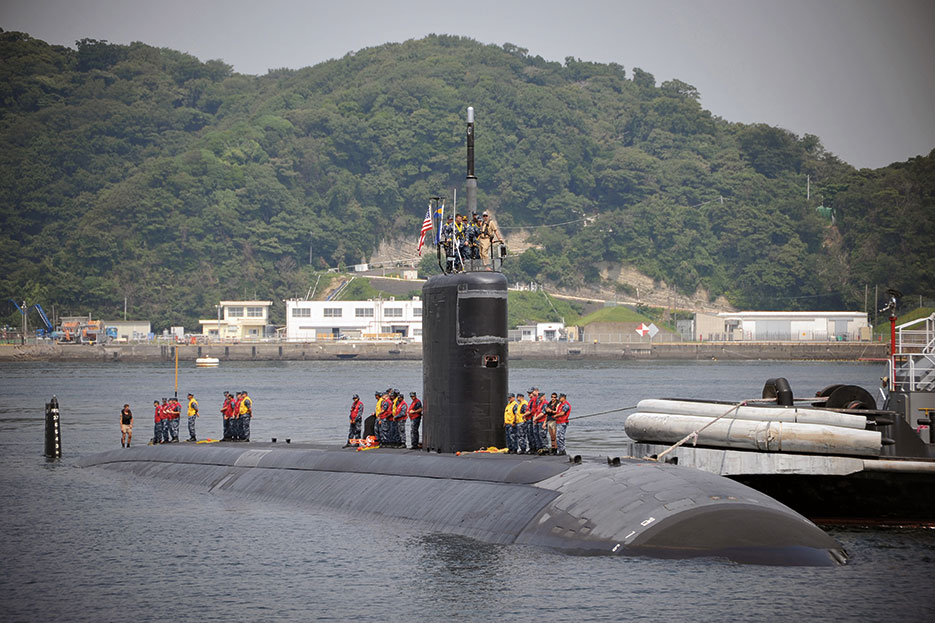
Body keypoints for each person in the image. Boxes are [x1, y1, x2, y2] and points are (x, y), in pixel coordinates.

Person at [526, 387, 541, 454]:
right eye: (528, 393)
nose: (529, 394)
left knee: (536, 434)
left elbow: (536, 410)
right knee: (531, 434)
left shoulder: (537, 399)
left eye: (530, 393)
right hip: (531, 419)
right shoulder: (531, 401)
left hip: (536, 419)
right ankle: (533, 448)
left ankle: (537, 448)